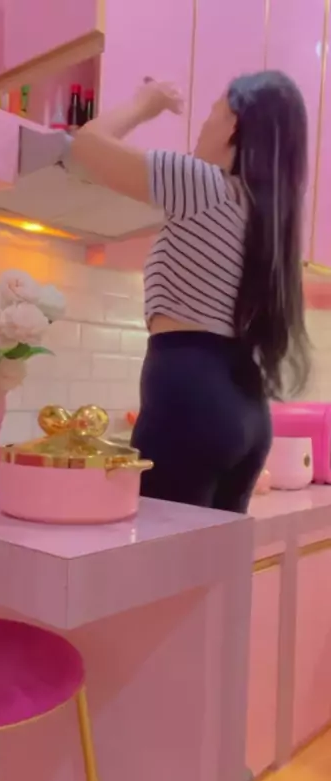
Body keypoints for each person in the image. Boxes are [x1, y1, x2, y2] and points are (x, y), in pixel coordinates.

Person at [71, 71, 310, 513]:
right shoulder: (265, 217)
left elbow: (86, 144)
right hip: (248, 407)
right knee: (214, 556)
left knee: (162, 551)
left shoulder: (203, 185)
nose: (202, 127)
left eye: (211, 113)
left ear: (233, 123)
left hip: (189, 393)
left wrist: (146, 102)